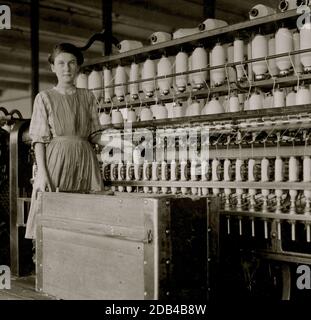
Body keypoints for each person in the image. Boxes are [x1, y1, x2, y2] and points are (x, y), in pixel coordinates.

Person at [25, 43, 103, 239]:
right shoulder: (44, 98)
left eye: (71, 63)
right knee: (54, 216)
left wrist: (123, 144)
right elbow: (39, 141)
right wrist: (42, 173)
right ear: (53, 67)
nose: (66, 68)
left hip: (86, 161)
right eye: (60, 63)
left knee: (88, 218)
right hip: (56, 162)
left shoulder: (88, 96)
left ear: (78, 67)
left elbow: (96, 134)